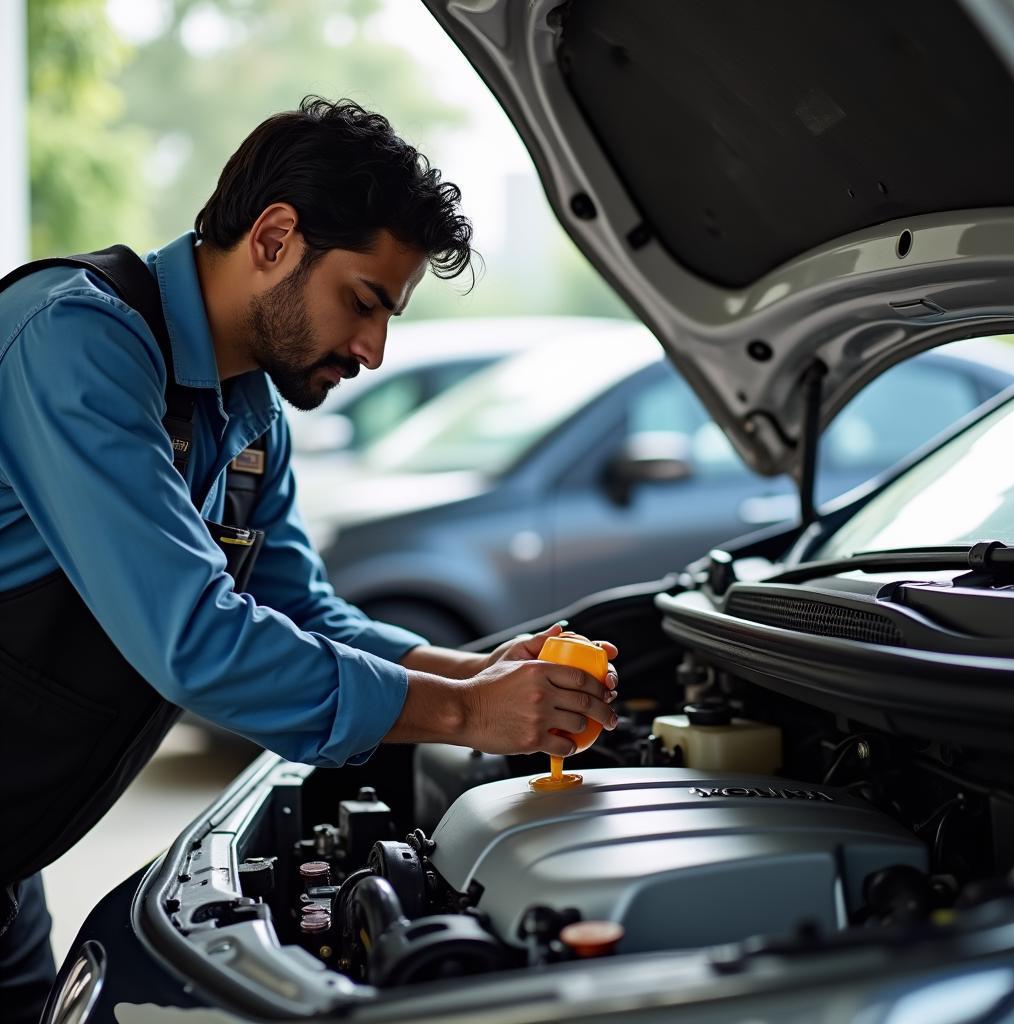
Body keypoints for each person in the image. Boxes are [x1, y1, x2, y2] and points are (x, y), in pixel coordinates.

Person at [0, 96, 618, 1022]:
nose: (372, 349)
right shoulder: (75, 341)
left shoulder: (251, 422)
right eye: (363, 302)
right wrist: (462, 713)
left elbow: (309, 615)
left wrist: (478, 669)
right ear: (275, 237)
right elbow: (195, 637)